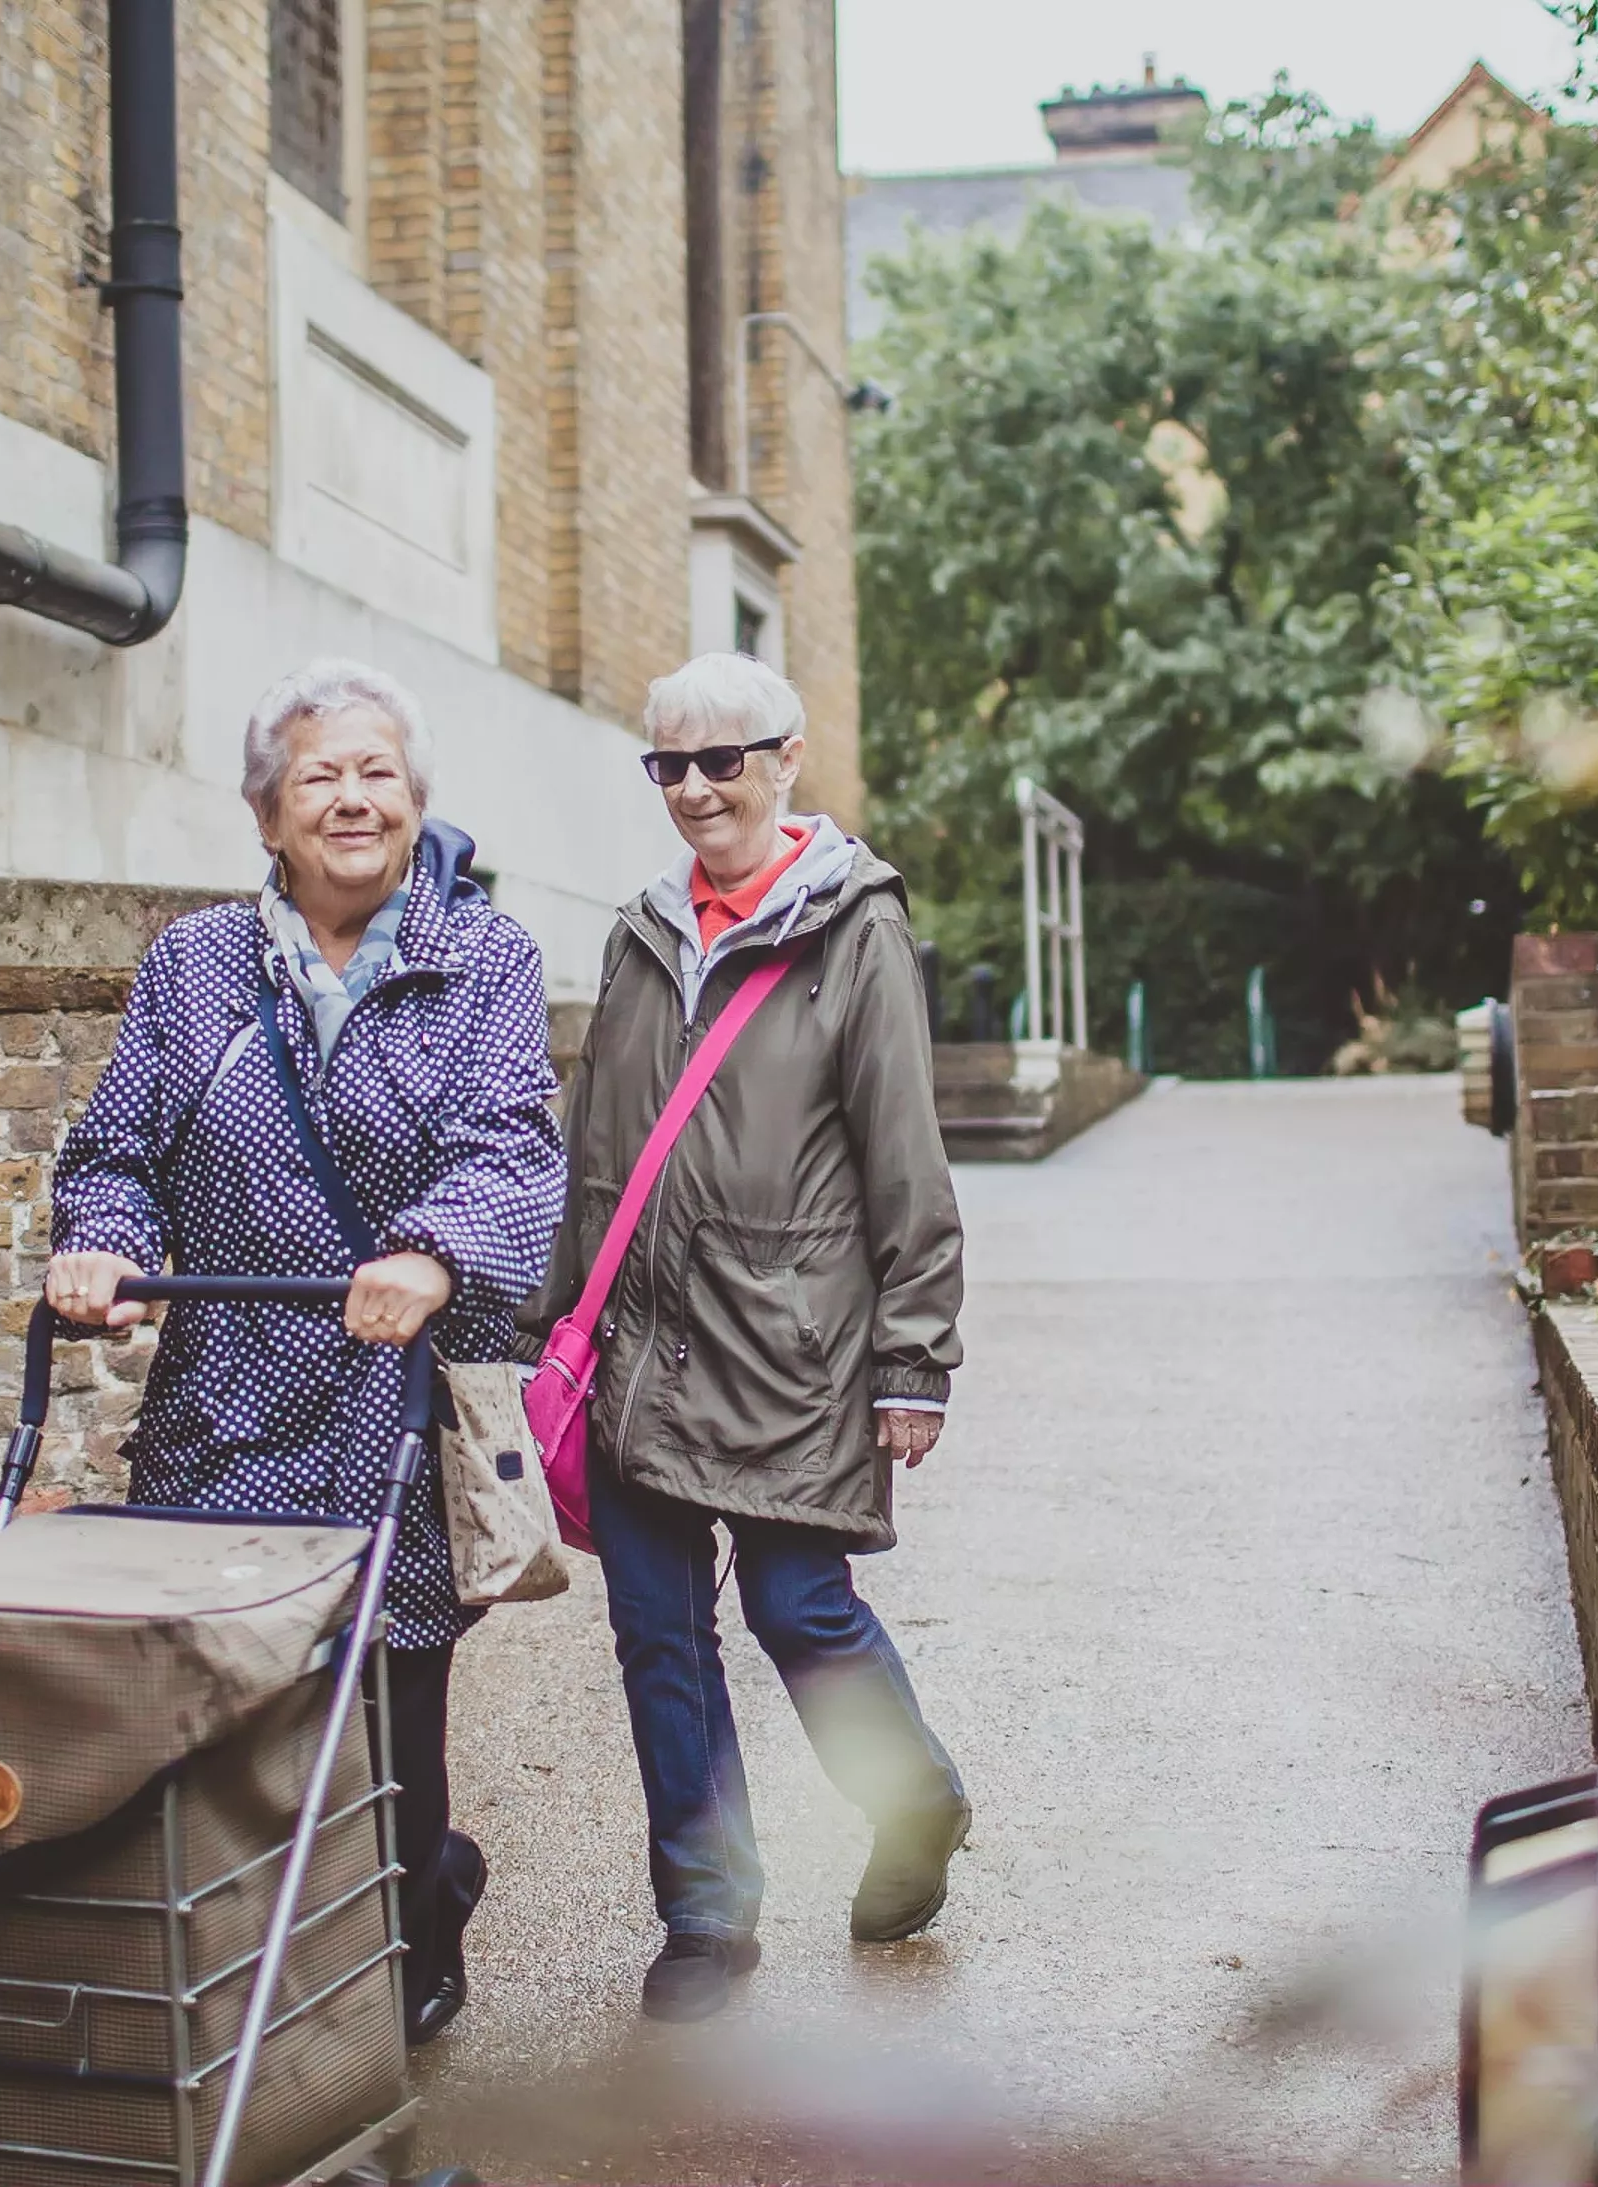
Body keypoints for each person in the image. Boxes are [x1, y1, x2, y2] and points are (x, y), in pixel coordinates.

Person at [46, 659, 566, 2046]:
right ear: (267, 813)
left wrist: (436, 1249)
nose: (352, 796)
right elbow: (118, 1147)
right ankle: (240, 1949)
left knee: (391, 1699)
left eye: (377, 770)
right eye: (320, 774)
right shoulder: (195, 966)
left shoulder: (485, 959)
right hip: (226, 1405)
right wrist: (100, 1235)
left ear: (417, 801)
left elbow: (511, 1144)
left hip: (396, 1407)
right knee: (227, 1701)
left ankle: (415, 1922)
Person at [534, 650, 970, 2024]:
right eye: (668, 762)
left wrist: (914, 1351)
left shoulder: (853, 925)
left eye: (723, 758)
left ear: (787, 759)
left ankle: (915, 1803)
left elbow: (906, 1150)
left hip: (792, 1341)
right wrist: (560, 1323)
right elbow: (598, 1149)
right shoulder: (643, 928)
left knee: (799, 1607)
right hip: (642, 1348)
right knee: (657, 1630)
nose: (695, 787)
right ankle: (706, 1908)